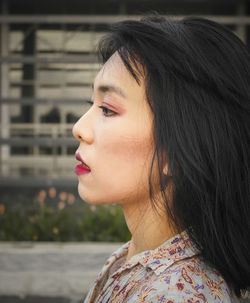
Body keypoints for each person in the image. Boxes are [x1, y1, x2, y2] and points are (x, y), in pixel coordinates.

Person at [72, 15, 250, 302]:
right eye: (90, 104)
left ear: (177, 150)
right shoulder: (129, 259)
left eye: (107, 109)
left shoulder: (173, 295)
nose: (79, 128)